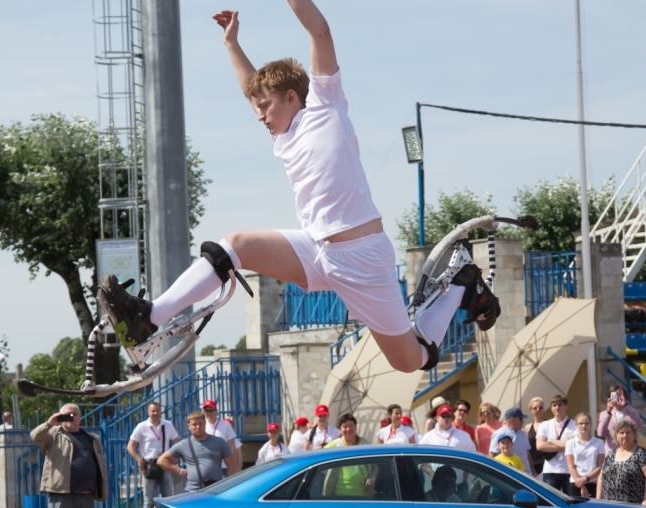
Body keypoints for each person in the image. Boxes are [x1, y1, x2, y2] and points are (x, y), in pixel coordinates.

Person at [99, 0, 498, 377]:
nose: (259, 116)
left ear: (292, 97)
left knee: (409, 361)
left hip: (362, 258)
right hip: (317, 249)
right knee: (234, 244)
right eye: (256, 108)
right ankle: (146, 319)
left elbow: (320, 31)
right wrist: (231, 44)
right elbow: (251, 88)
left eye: (266, 107)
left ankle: (458, 286)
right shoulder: (284, 137)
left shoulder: (326, 104)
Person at [30, 404, 108, 508]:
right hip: (62, 492)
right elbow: (35, 436)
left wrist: (100, 486)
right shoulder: (53, 435)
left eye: (75, 414)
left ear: (80, 417)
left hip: (87, 492)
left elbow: (100, 464)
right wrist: (50, 423)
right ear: (60, 417)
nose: (71, 418)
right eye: (66, 415)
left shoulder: (92, 438)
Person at [126, 401, 180, 508]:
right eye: (152, 411)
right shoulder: (142, 426)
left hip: (165, 462)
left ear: (161, 411)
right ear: (148, 412)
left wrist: (175, 458)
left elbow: (177, 443)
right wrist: (139, 460)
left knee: (168, 496)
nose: (155, 413)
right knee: (148, 499)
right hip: (149, 464)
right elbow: (130, 446)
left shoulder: (167, 425)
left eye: (157, 410)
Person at [158, 411, 236, 493]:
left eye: (200, 424)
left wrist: (227, 484)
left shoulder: (219, 442)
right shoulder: (183, 444)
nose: (198, 427)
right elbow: (161, 461)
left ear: (205, 424)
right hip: (192, 491)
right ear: (189, 426)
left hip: (215, 490)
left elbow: (231, 464)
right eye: (194, 424)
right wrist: (180, 471)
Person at [597, 418, 646, 505]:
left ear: (634, 435)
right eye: (621, 433)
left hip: (633, 506)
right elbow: (601, 478)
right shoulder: (610, 455)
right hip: (609, 505)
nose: (625, 435)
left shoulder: (641, 454)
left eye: (628, 432)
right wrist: (598, 500)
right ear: (616, 436)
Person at [536, 395, 577, 494]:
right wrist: (566, 444)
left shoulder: (575, 424)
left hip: (569, 470)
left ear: (566, 406)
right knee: (551, 503)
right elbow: (540, 446)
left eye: (560, 405)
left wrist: (550, 441)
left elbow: (575, 445)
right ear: (551, 408)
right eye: (554, 405)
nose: (557, 408)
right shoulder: (545, 424)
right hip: (550, 470)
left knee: (571, 501)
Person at [564, 414, 605, 498]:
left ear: (591, 424)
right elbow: (571, 467)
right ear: (576, 425)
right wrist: (582, 485)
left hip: (594, 483)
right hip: (576, 483)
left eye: (586, 423)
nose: (584, 426)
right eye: (581, 423)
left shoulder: (599, 442)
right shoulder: (570, 443)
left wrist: (586, 479)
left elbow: (600, 466)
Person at [597, 384, 642, 452]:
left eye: (620, 395)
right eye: (615, 395)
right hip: (611, 452)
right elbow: (601, 433)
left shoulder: (631, 412)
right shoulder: (605, 414)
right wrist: (609, 411)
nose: (617, 398)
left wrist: (626, 405)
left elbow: (639, 424)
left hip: (630, 451)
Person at [489, 407, 535, 474]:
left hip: (527, 474)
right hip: (511, 476)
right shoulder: (499, 433)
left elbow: (527, 452)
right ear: (512, 419)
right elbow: (492, 454)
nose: (523, 421)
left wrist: (533, 470)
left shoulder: (522, 432)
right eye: (521, 419)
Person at [202, 399, 242, 475]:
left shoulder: (226, 425)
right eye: (206, 411)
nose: (209, 413)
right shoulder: (203, 426)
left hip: (224, 467)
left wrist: (232, 467)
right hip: (208, 467)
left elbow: (232, 448)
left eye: (211, 410)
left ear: (216, 411)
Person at [526, 396, 547, 476]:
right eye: (535, 408)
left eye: (540, 407)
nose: (538, 410)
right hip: (534, 465)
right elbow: (527, 450)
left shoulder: (549, 424)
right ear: (531, 410)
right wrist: (532, 469)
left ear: (543, 409)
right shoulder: (527, 427)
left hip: (548, 464)